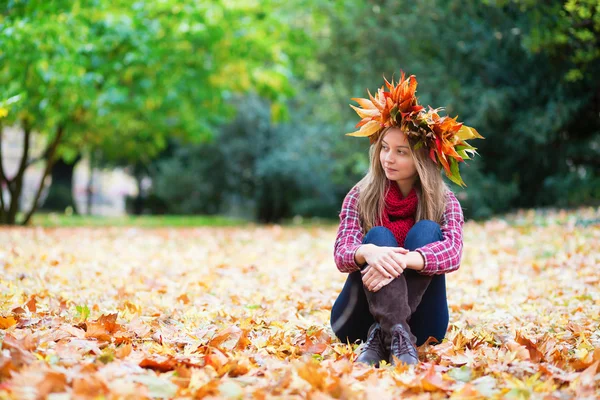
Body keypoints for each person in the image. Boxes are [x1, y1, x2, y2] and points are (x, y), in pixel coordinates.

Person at [330, 71, 484, 367]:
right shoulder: (359, 195)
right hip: (355, 322)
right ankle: (392, 331)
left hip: (423, 327)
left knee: (426, 230)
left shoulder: (443, 200)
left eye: (401, 152)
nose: (388, 158)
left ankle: (385, 332)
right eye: (384, 148)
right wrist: (369, 252)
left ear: (422, 160)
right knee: (378, 238)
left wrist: (404, 260)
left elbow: (453, 253)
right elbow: (341, 253)